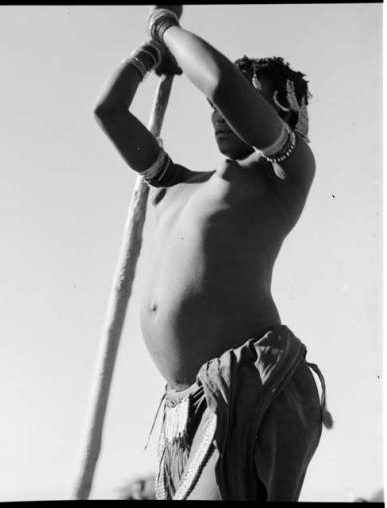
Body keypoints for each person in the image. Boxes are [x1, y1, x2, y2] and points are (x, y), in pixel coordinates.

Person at [93, 5, 332, 502]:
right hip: (184, 406)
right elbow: (108, 111)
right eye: (215, 109)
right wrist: (149, 54)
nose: (219, 112)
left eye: (246, 103)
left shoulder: (283, 175)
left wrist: (164, 24)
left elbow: (222, 85)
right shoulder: (173, 185)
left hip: (246, 388)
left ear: (284, 114)